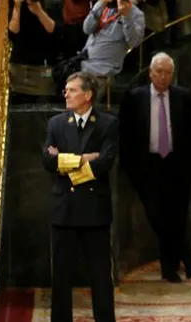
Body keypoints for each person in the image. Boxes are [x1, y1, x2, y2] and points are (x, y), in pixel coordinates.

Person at [42, 71, 118, 322]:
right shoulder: (56, 123)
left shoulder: (107, 123)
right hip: (64, 210)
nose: (66, 93)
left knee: (100, 275)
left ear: (87, 95)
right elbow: (47, 160)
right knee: (61, 276)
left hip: (94, 212)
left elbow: (105, 161)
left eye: (72, 90)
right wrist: (85, 159)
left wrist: (65, 162)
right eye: (66, 89)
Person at [118, 53, 191, 282]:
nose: (163, 77)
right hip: (148, 166)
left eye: (167, 72)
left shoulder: (184, 97)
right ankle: (184, 248)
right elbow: (126, 134)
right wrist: (130, 167)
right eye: (159, 71)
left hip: (177, 165)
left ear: (172, 75)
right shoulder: (135, 97)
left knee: (177, 216)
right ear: (150, 72)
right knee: (157, 216)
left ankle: (169, 268)